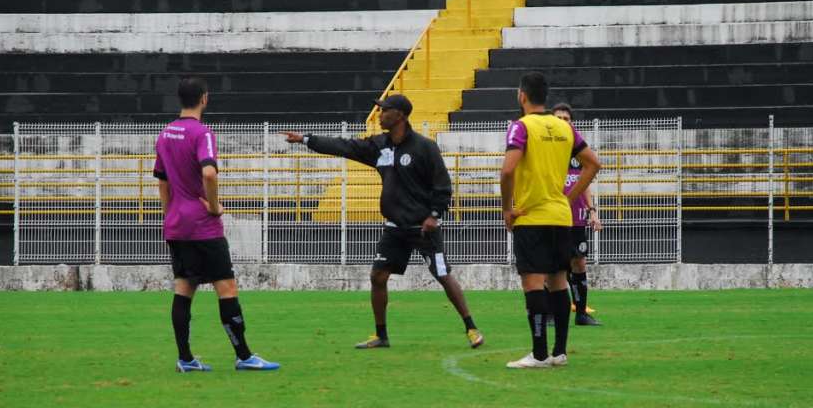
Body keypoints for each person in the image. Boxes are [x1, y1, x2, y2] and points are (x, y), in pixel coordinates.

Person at [283, 93, 484, 350]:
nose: (379, 115)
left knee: (443, 274)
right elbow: (345, 146)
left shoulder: (425, 147)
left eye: (384, 110)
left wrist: (435, 215)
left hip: (423, 228)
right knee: (378, 277)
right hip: (395, 228)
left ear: (399, 115)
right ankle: (381, 336)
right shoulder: (380, 146)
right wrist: (306, 140)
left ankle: (471, 327)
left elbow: (443, 186)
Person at [153, 76, 279, 372]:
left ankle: (185, 359)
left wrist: (168, 214)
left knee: (184, 288)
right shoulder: (202, 133)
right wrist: (211, 205)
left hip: (176, 223)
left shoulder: (165, 133)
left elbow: (162, 181)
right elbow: (209, 174)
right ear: (204, 99)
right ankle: (244, 356)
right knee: (227, 287)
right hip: (202, 225)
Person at [500, 74, 601, 369]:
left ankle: (539, 354)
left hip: (531, 217)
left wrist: (508, 209)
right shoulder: (565, 127)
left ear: (522, 96)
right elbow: (594, 163)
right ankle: (559, 352)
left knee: (533, 283)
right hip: (561, 217)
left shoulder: (521, 127)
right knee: (558, 281)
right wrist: (570, 196)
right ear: (545, 96)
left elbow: (507, 172)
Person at [552, 103, 602, 326]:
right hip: (552, 216)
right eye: (559, 118)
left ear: (571, 123)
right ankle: (551, 313)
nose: (563, 122)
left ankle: (581, 313)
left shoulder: (578, 150)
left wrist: (592, 211)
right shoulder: (547, 149)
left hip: (576, 218)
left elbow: (585, 182)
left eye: (566, 119)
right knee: (552, 265)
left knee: (579, 263)